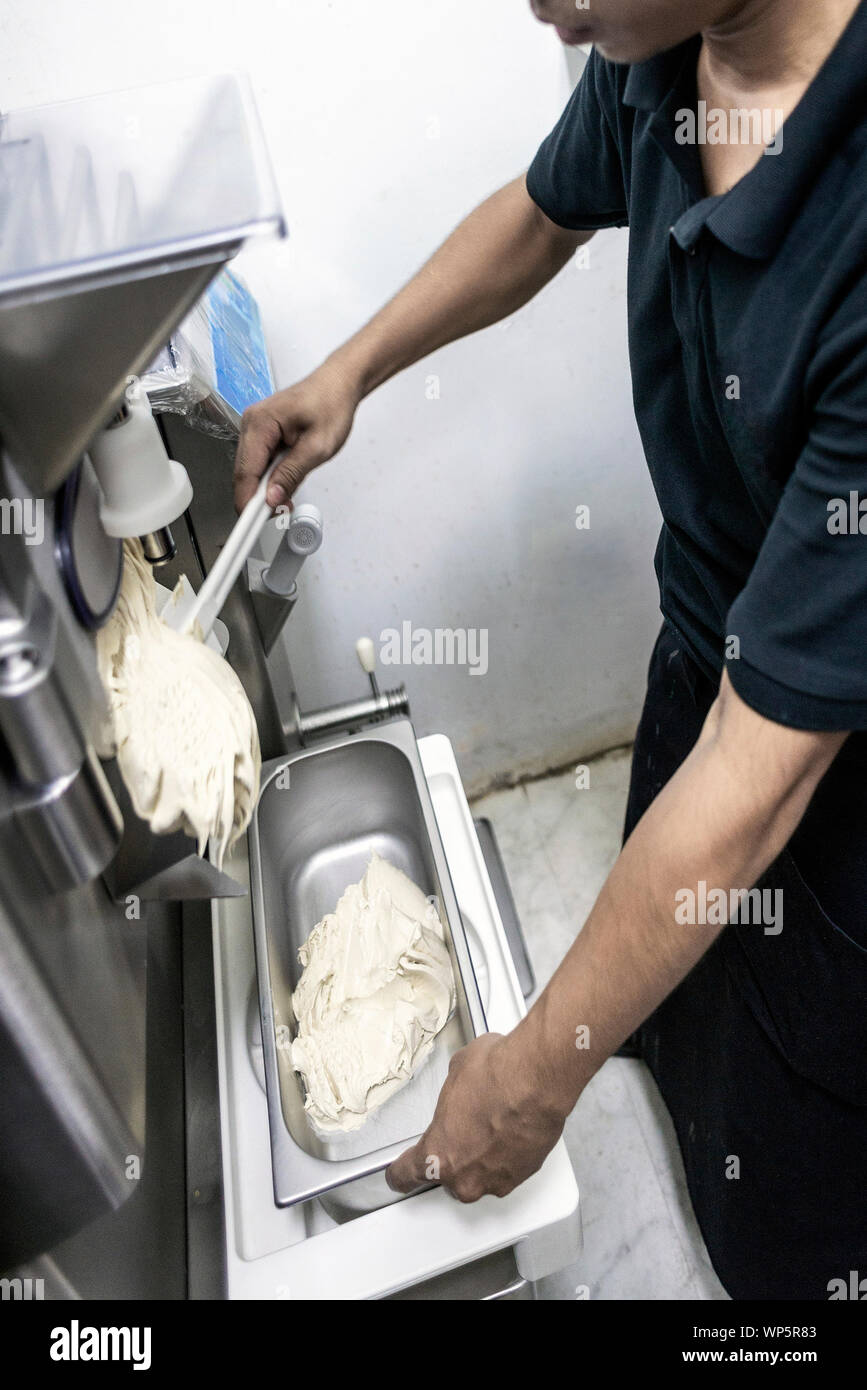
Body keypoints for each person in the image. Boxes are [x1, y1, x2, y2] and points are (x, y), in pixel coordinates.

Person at [234, 0, 867, 1299]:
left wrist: (535, 1068)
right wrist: (354, 367)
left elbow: (759, 780)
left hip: (821, 774)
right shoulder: (667, 45)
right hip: (706, 676)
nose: (541, 4)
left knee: (797, 1179)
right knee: (685, 1040)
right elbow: (543, 208)